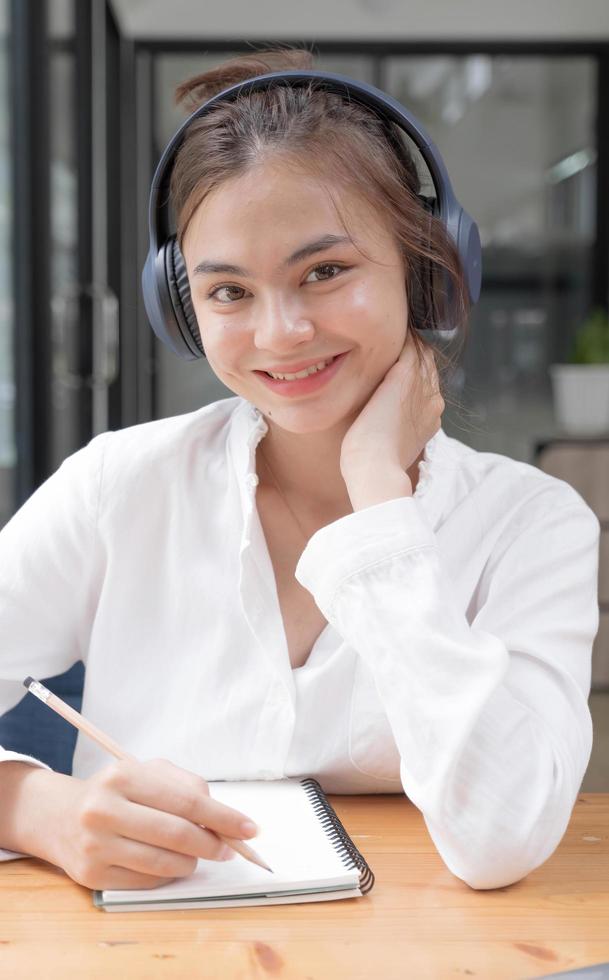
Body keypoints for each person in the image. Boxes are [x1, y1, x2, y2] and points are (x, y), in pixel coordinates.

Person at [0, 47, 600, 893]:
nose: (279, 333)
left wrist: (378, 505)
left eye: (325, 271)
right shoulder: (119, 487)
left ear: (427, 275)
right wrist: (38, 812)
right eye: (228, 292)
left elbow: (503, 837)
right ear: (183, 310)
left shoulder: (531, 524)